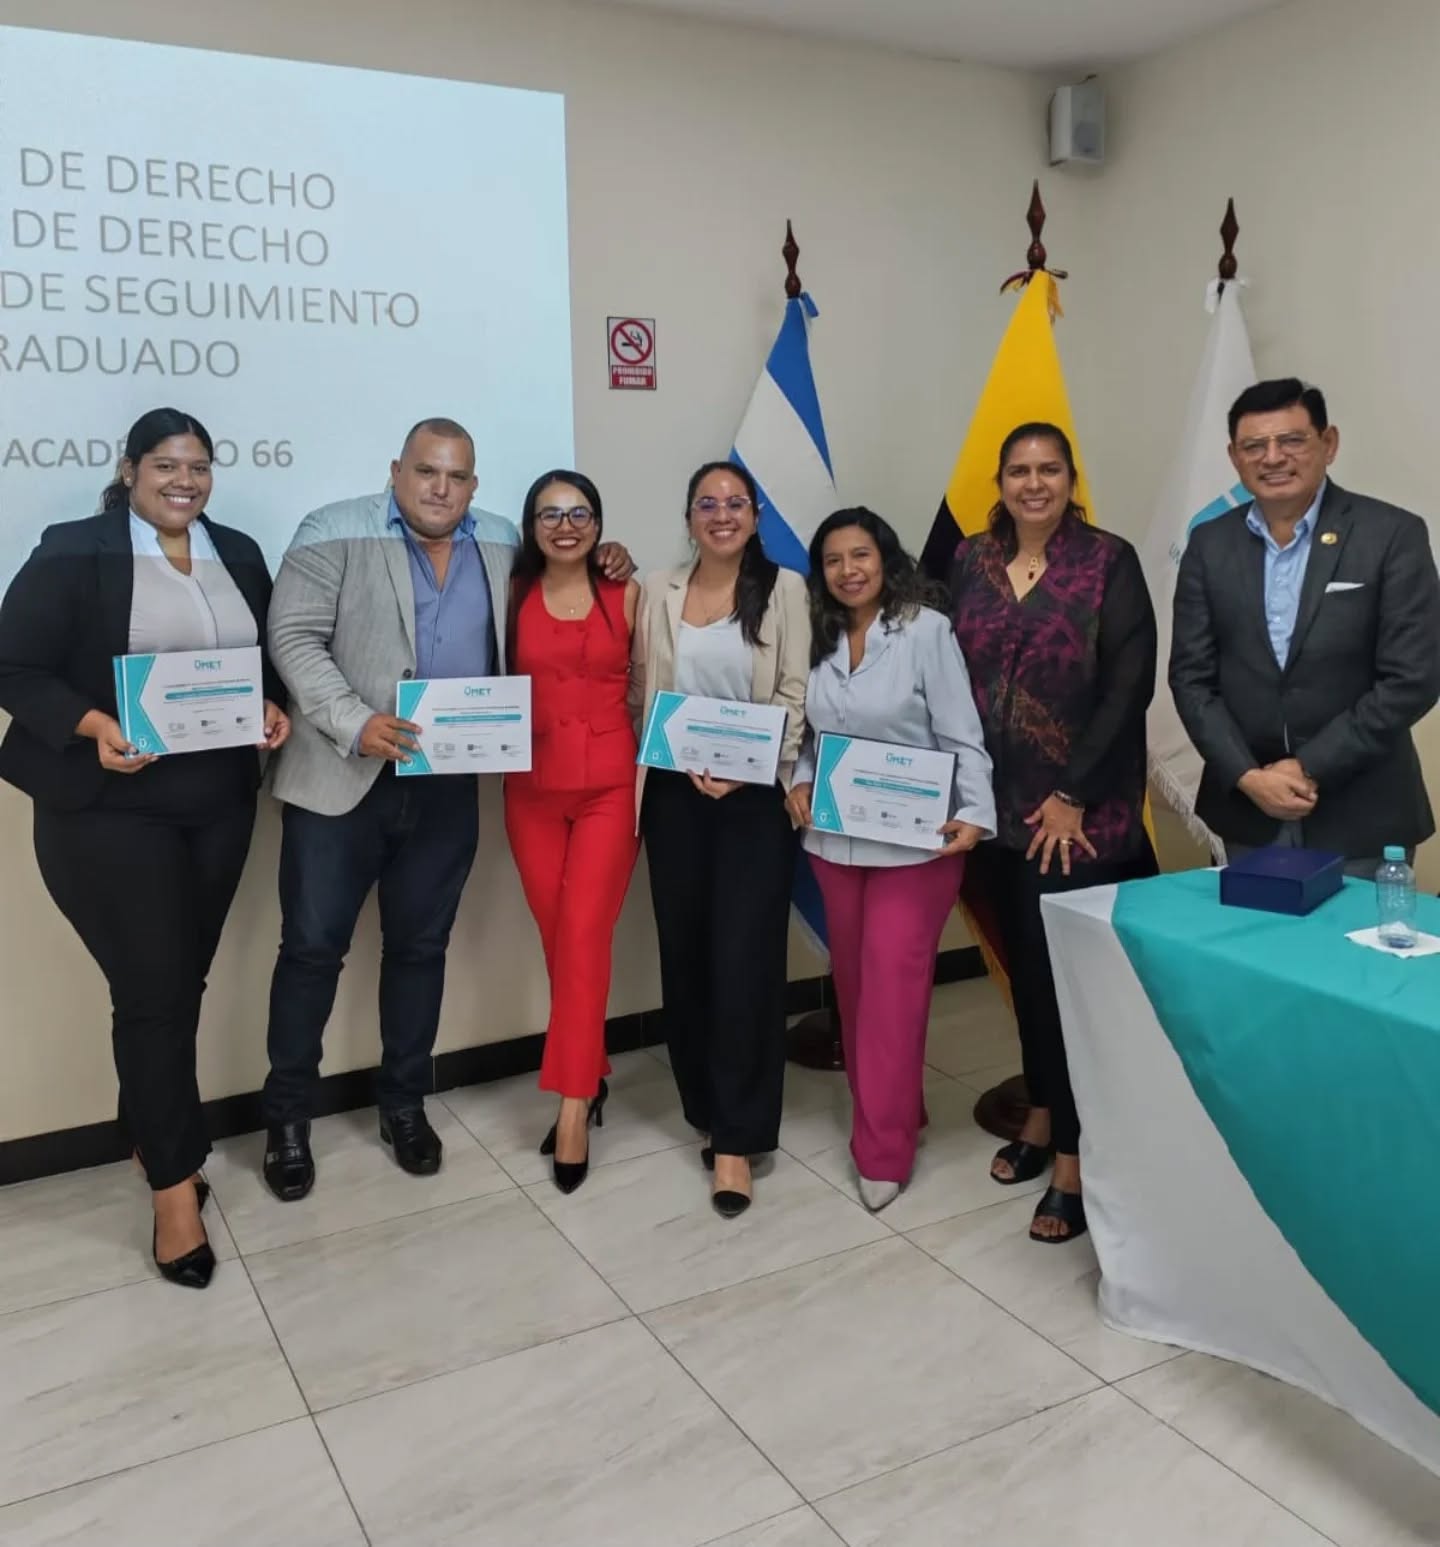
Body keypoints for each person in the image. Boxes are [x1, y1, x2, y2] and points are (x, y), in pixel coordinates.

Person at [261, 418, 633, 1202]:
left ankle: (403, 1103)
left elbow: (567, 579)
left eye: (457, 476)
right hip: (340, 777)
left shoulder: (501, 541)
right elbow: (292, 638)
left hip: (443, 783)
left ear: (474, 484)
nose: (441, 488)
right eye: (427, 471)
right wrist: (354, 720)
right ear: (396, 469)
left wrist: (610, 557)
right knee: (312, 951)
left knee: (420, 949)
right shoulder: (332, 530)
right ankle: (287, 1117)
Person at [0, 407, 290, 1288]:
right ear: (129, 470)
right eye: (165, 464)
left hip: (217, 806)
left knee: (172, 984)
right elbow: (13, 665)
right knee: (155, 992)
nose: (184, 480)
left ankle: (148, 1132)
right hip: (110, 812)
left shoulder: (238, 552)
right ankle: (173, 1184)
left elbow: (264, 661)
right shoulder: (74, 550)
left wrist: (272, 706)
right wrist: (93, 725)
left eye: (198, 465)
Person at [951, 422, 1158, 1244]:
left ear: (1072, 478)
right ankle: (1041, 1111)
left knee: (1065, 990)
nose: (1033, 483)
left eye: (1049, 469)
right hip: (991, 813)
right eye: (1018, 470)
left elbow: (1129, 688)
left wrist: (1073, 792)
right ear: (999, 481)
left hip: (1073, 819)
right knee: (1025, 980)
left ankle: (1073, 1161)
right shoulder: (970, 560)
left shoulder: (1108, 561)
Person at [786, 509, 995, 1212]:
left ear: (886, 560)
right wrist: (799, 781)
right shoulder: (815, 635)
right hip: (835, 841)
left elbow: (961, 731)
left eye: (861, 555)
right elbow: (812, 736)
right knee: (854, 990)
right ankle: (900, 1108)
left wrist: (974, 811)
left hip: (917, 846)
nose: (848, 570)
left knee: (890, 993)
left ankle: (881, 1151)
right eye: (833, 560)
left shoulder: (924, 631)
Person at [630, 460, 809, 1218]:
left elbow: (795, 691)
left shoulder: (786, 589)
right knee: (686, 955)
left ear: (756, 515)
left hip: (753, 798)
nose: (723, 513)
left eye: (737, 502)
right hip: (673, 794)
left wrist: (753, 767)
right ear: (689, 517)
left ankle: (737, 1137)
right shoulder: (659, 588)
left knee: (745, 961)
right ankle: (704, 1106)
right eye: (707, 502)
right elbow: (643, 689)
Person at [1171, 378, 1440, 871]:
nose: (1273, 457)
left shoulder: (1392, 534)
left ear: (1328, 443)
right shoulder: (1209, 545)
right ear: (1234, 457)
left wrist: (1309, 766)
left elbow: (1413, 678)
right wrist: (1248, 776)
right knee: (1251, 926)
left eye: (1292, 440)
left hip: (1362, 813)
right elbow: (1191, 678)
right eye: (1255, 446)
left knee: (1357, 928)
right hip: (1248, 813)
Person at [504, 470, 640, 1193]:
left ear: (599, 523)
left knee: (585, 933)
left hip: (610, 788)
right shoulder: (508, 592)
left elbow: (653, 681)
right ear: (531, 526)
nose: (565, 525)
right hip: (530, 788)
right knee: (559, 935)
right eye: (550, 514)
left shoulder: (628, 591)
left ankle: (573, 1106)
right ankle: (590, 1066)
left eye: (579, 512)